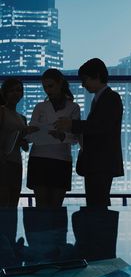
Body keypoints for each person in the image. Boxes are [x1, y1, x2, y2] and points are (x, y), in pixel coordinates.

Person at [55, 58, 123, 210]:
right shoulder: (102, 99)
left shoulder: (111, 98)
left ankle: (100, 233)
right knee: (97, 202)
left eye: (85, 79)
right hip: (99, 162)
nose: (83, 84)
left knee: (97, 202)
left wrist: (72, 124)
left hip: (101, 162)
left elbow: (101, 126)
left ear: (97, 76)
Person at [27, 69, 81, 209]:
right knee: (41, 205)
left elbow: (75, 137)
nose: (48, 90)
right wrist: (30, 132)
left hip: (61, 159)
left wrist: (62, 135)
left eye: (50, 86)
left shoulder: (73, 107)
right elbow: (32, 130)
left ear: (60, 83)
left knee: (56, 206)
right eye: (45, 87)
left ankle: (53, 231)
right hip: (39, 158)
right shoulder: (40, 107)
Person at [0, 78, 31, 211]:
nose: (15, 93)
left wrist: (25, 139)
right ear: (5, 93)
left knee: (13, 204)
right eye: (11, 90)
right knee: (3, 204)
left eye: (18, 90)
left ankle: (10, 232)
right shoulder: (1, 111)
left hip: (16, 163)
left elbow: (22, 144)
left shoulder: (22, 118)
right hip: (3, 162)